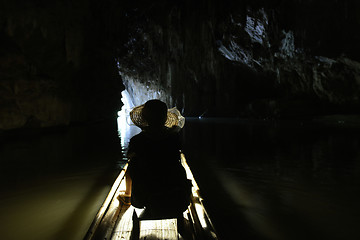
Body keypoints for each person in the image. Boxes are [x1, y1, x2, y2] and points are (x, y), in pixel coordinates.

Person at [119, 99, 190, 217]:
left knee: (132, 163)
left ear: (144, 119)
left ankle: (127, 194)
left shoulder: (137, 141)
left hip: (144, 198)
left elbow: (130, 159)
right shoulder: (174, 139)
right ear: (165, 118)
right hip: (177, 198)